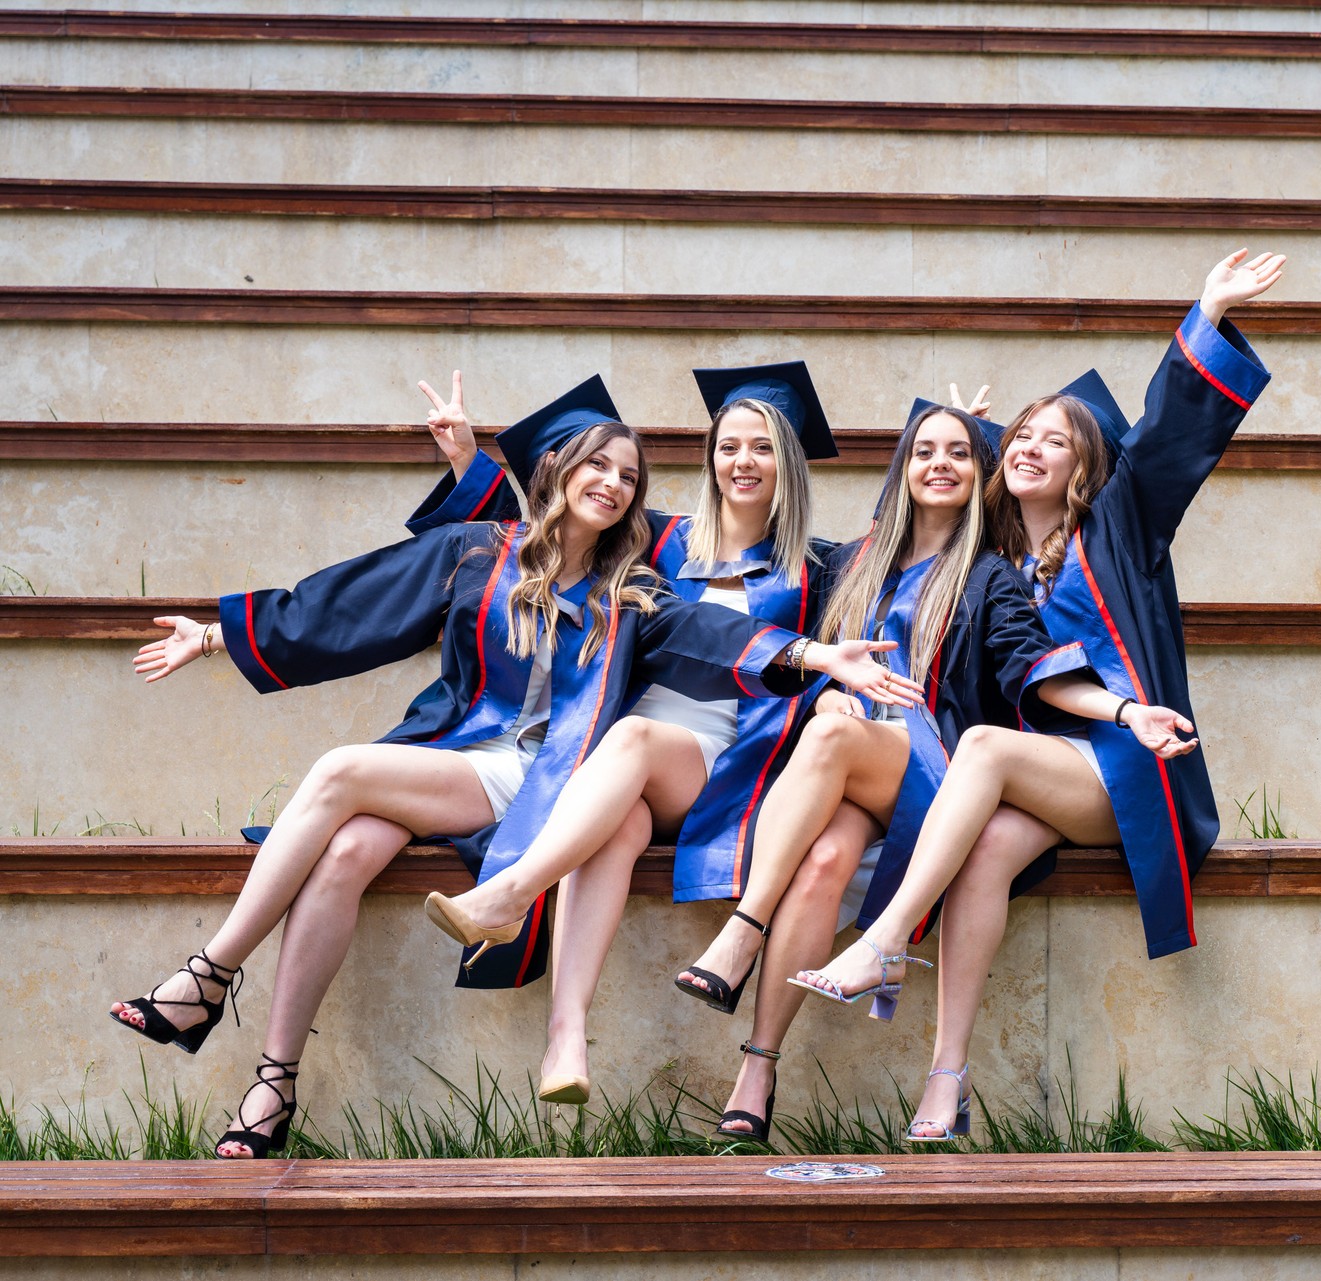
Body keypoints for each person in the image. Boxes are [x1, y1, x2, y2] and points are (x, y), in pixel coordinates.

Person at [108, 375, 901, 1157]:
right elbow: (356, 603)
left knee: (342, 770)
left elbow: (705, 631)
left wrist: (817, 656)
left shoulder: (636, 583)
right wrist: (215, 634)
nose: (615, 484)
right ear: (552, 469)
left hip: (562, 770)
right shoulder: (511, 551)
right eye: (596, 466)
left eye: (628, 475)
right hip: (454, 751)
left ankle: (207, 975)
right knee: (346, 848)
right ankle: (274, 1084)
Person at [790, 249, 1286, 1142]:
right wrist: (960, 437)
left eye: (1053, 439)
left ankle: (885, 939)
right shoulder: (988, 564)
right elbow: (907, 518)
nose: (1029, 447)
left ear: (1088, 466)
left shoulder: (1121, 528)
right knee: (981, 853)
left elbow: (1170, 438)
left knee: (981, 749)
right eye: (1017, 436)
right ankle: (946, 1084)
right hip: (1039, 773)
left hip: (1129, 764)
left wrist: (1205, 315)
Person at [675, 399, 1163, 1144]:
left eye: (961, 453)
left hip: (934, 769)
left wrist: (1127, 712)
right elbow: (793, 643)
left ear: (980, 476)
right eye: (924, 450)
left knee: (832, 738)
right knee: (825, 857)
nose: (940, 464)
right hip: (867, 777)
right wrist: (829, 686)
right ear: (900, 468)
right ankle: (759, 1065)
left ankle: (748, 930)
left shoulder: (987, 579)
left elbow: (1037, 671)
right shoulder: (849, 566)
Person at [403, 363, 887, 1106]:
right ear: (710, 456)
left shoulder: (819, 568)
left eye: (762, 448)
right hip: (629, 765)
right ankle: (567, 1040)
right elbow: (556, 530)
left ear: (786, 461)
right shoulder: (661, 542)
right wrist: (470, 460)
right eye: (729, 446)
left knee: (629, 741)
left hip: (733, 764)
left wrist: (828, 701)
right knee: (619, 819)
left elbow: (892, 573)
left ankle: (509, 894)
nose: (743, 462)